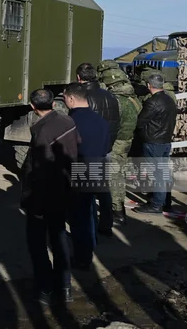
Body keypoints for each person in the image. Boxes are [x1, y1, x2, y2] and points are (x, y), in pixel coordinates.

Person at [20, 88, 79, 304]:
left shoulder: (41, 132)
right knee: (59, 237)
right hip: (65, 190)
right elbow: (76, 149)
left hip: (44, 195)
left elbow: (40, 170)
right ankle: (65, 287)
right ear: (54, 104)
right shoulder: (68, 122)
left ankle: (45, 289)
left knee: (37, 242)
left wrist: (33, 201)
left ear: (32, 107)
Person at [63, 82, 109, 270]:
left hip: (78, 169)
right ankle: (90, 245)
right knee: (88, 211)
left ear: (72, 98)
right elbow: (106, 148)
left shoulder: (69, 122)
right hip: (97, 166)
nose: (65, 101)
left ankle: (82, 258)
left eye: (65, 97)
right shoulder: (101, 121)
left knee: (78, 217)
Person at [76, 62, 118, 235]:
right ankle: (106, 224)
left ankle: (90, 226)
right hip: (106, 147)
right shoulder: (110, 96)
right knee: (103, 188)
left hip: (88, 151)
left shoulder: (82, 98)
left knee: (86, 192)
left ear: (79, 78)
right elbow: (117, 122)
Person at [101, 68, 142, 226]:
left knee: (114, 177)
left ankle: (118, 212)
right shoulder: (133, 98)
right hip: (127, 139)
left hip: (117, 142)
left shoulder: (116, 100)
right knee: (120, 174)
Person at [133, 72, 178, 215]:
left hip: (153, 141)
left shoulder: (152, 102)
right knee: (164, 172)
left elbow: (140, 121)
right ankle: (165, 201)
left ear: (149, 85)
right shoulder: (169, 99)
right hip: (165, 140)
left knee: (157, 173)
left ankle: (156, 204)